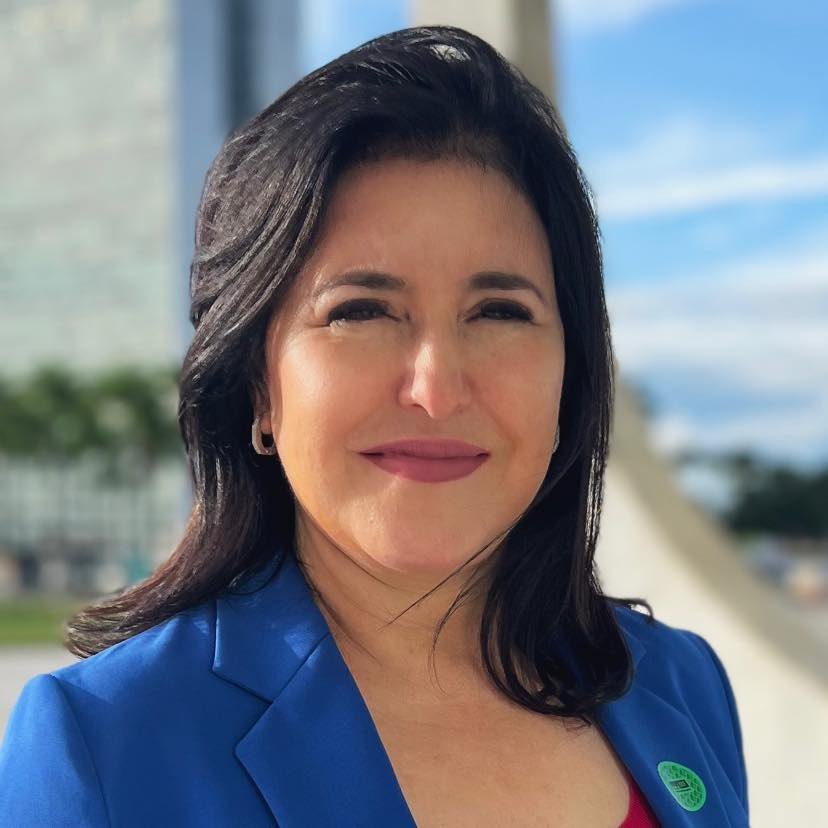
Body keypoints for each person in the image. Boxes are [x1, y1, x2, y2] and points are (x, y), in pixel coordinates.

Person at [0, 25, 748, 827]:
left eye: (499, 311)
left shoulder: (681, 683)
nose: (436, 389)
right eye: (360, 311)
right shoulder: (107, 746)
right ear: (257, 385)